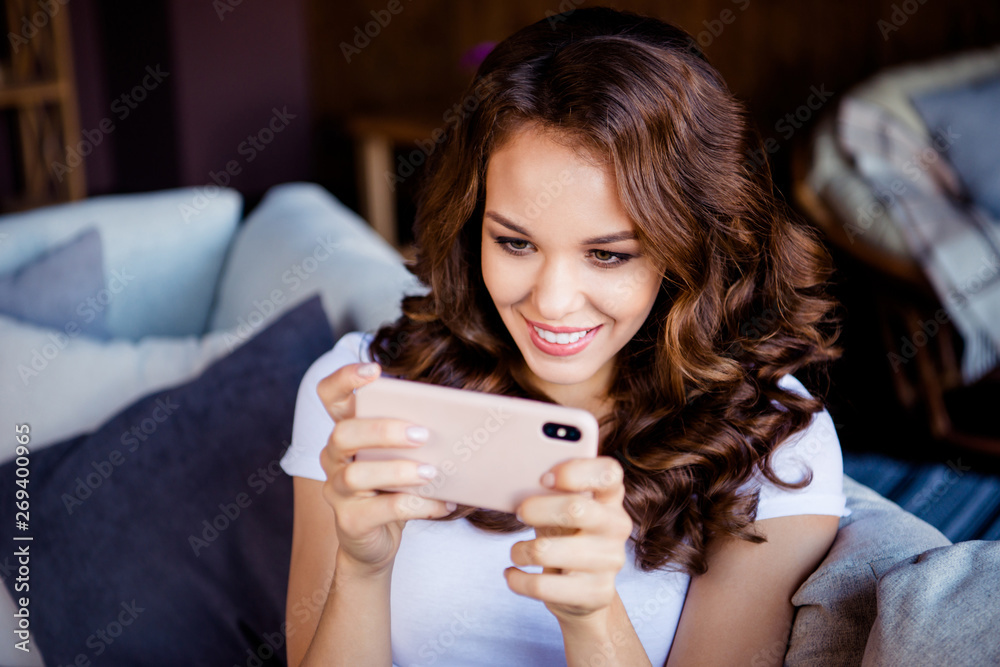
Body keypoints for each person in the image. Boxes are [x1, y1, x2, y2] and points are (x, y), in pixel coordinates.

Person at [281, 7, 848, 666]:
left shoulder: (776, 443)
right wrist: (361, 567)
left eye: (608, 254)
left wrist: (591, 614)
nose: (550, 301)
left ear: (688, 247)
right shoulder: (364, 390)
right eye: (514, 241)